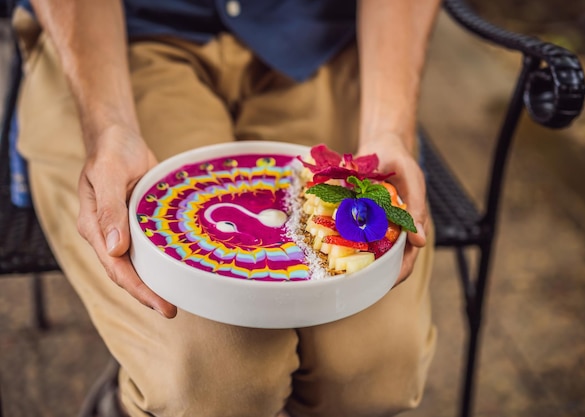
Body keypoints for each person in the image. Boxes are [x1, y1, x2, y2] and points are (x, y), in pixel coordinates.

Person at [12, 0, 440, 416]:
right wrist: (109, 126)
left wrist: (390, 127)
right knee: (213, 384)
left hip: (325, 39)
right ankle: (128, 399)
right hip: (121, 43)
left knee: (378, 372)